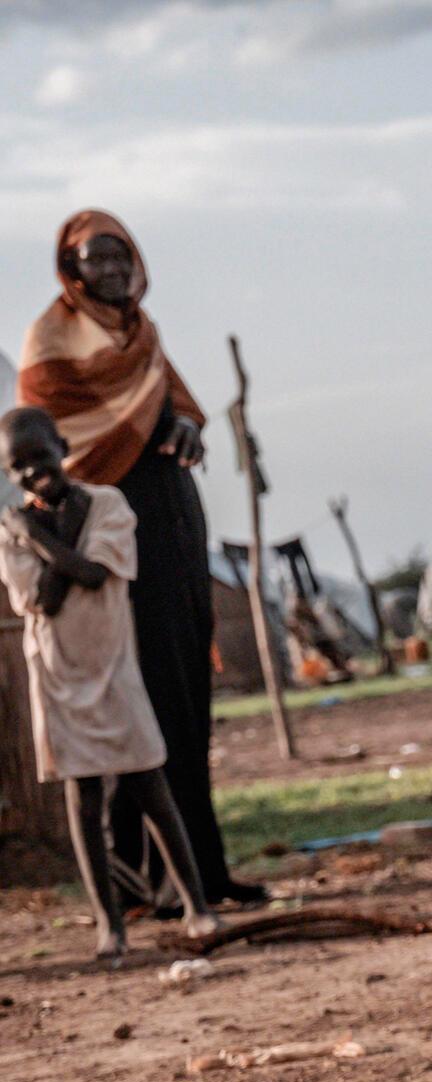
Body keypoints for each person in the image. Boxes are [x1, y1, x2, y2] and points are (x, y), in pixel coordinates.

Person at [15, 209, 265, 907]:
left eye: (122, 255)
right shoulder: (49, 342)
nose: (114, 269)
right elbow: (46, 445)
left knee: (185, 696)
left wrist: (184, 428)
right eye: (98, 258)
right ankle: (136, 880)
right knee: (135, 702)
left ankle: (201, 875)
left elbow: (179, 411)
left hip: (173, 522)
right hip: (105, 532)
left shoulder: (142, 335)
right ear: (72, 268)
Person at [1, 408, 219, 959]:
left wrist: (39, 533)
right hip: (57, 673)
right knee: (85, 797)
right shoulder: (13, 532)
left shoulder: (108, 504)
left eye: (39, 456)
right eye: (17, 467)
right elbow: (44, 599)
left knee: (150, 783)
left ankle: (197, 904)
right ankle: (110, 924)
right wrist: (45, 535)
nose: (32, 473)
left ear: (63, 444)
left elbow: (97, 574)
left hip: (113, 667)